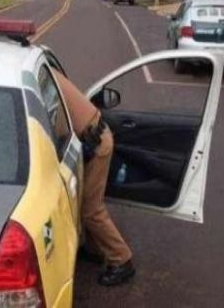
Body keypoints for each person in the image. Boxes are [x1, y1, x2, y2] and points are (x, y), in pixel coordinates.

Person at [53, 70, 136, 286]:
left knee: (91, 210)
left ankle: (121, 259)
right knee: (85, 204)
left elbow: (58, 130)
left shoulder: (40, 80)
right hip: (95, 137)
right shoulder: (46, 70)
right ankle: (96, 249)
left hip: (96, 145)